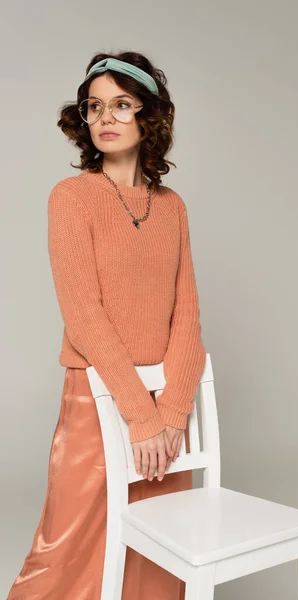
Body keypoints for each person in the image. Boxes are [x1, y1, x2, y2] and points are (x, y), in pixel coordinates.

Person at [6, 51, 206, 600]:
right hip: (96, 398)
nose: (105, 118)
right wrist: (141, 416)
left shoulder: (173, 208)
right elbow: (83, 314)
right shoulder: (70, 199)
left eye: (121, 104)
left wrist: (170, 415)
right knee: (69, 545)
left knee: (160, 549)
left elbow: (186, 314)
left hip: (165, 408)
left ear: (149, 118)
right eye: (94, 107)